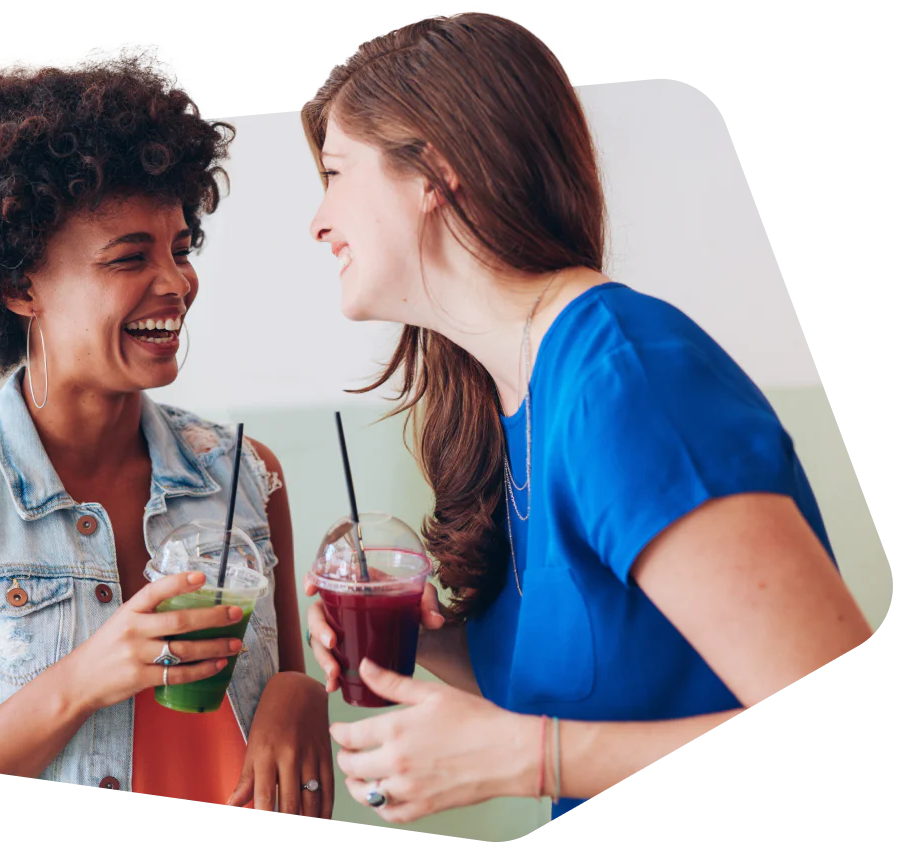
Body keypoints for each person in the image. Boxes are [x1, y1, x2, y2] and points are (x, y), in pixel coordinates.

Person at [300, 11, 874, 824]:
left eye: (336, 173)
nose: (317, 222)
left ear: (436, 171)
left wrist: (525, 755)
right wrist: (411, 640)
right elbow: (581, 674)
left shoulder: (624, 384)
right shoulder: (513, 398)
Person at [0, 44, 333, 819]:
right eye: (128, 257)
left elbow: (280, 708)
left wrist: (296, 691)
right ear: (19, 286)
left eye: (180, 248)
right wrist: (86, 677)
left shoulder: (248, 474)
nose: (176, 283)